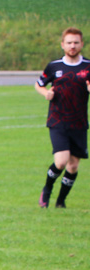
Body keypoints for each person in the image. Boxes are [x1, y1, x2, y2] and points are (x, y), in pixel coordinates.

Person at [35, 27, 90, 208]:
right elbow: (39, 84)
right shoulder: (54, 66)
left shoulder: (88, 66)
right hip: (58, 121)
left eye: (76, 42)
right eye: (69, 43)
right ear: (62, 45)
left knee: (73, 166)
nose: (72, 46)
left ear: (82, 44)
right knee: (61, 161)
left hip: (79, 123)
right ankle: (47, 189)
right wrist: (45, 93)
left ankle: (61, 202)